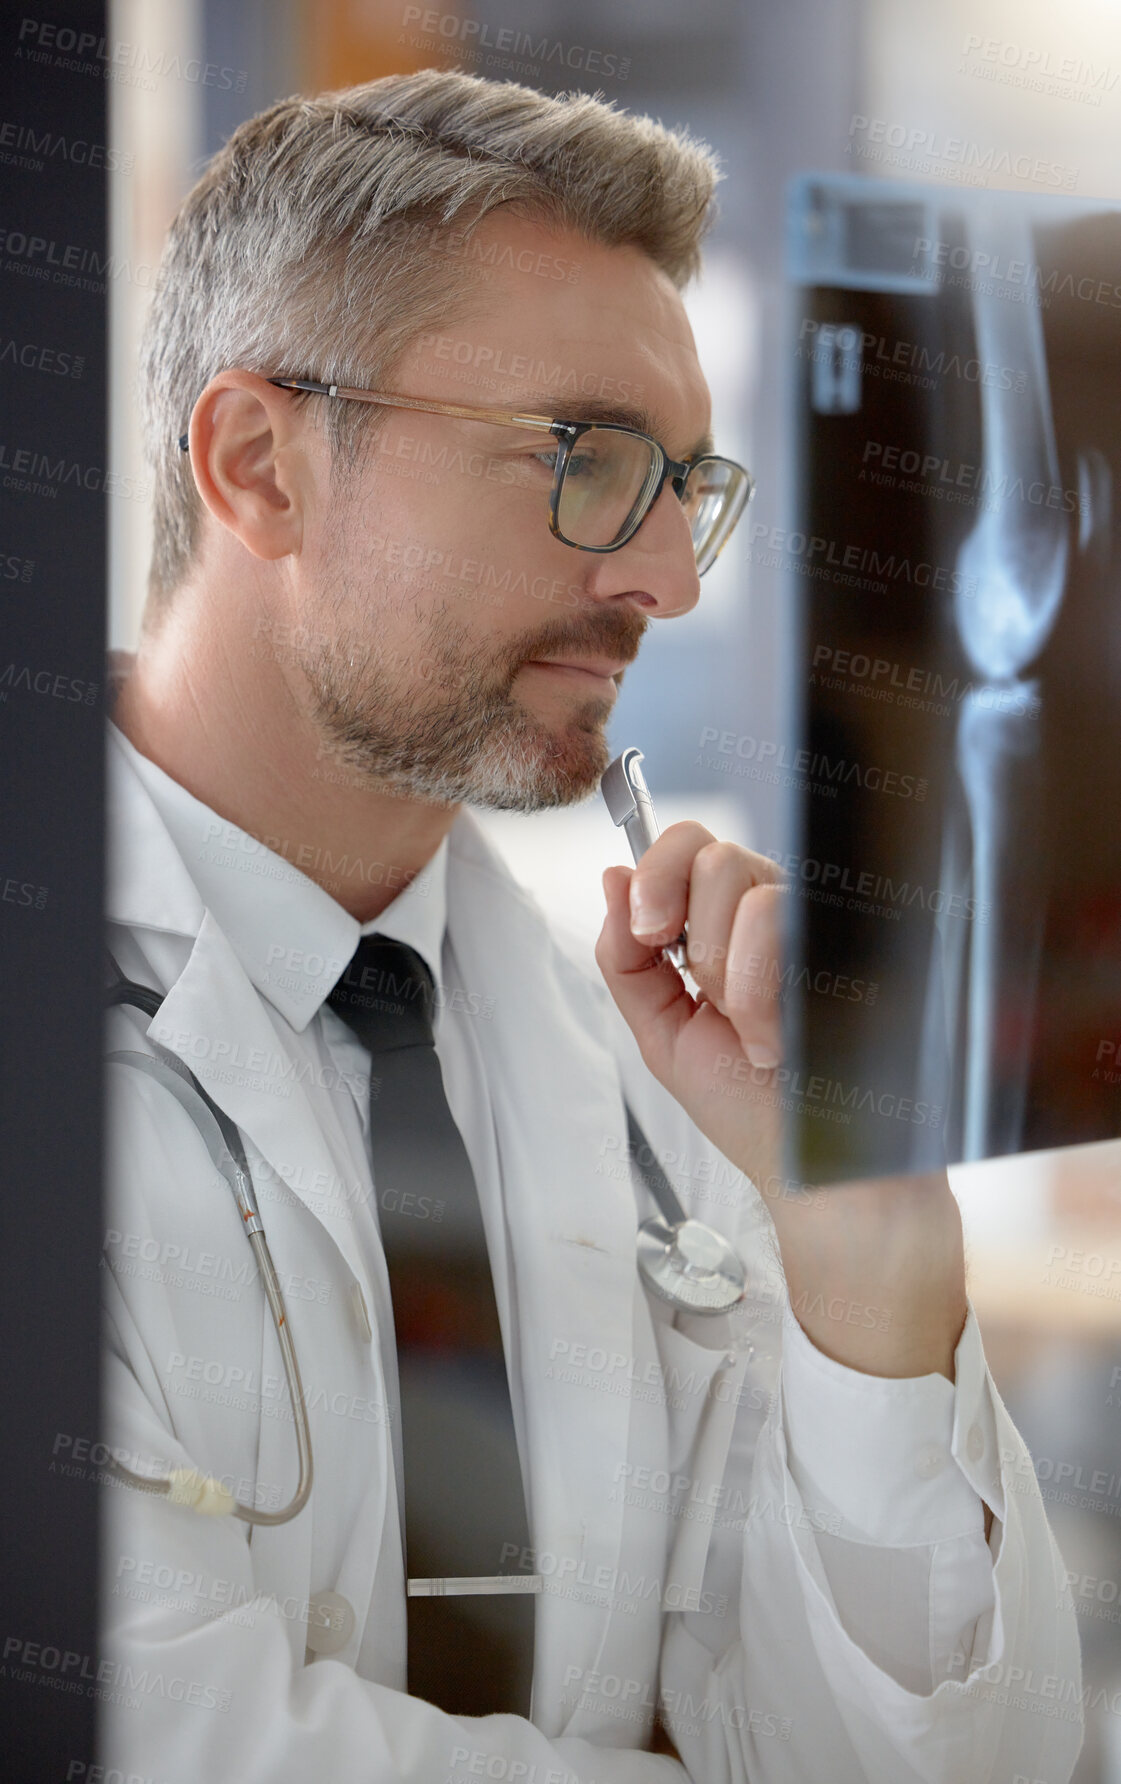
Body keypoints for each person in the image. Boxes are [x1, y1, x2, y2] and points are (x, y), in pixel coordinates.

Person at [101, 68, 1082, 1783]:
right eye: (586, 459)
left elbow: (936, 1751)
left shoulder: (657, 1075)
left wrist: (870, 1276)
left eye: (683, 485)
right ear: (259, 465)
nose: (670, 581)